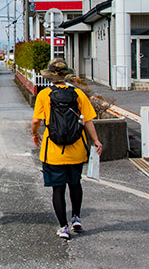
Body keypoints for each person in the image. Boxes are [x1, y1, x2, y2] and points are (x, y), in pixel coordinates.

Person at [30, 58, 103, 240]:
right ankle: (76, 218)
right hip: (76, 148)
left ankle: (63, 227)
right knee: (75, 183)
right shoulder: (78, 93)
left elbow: (36, 121)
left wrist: (34, 134)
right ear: (66, 75)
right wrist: (96, 140)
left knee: (58, 189)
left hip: (52, 150)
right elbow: (87, 120)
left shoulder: (44, 95)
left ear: (50, 76)